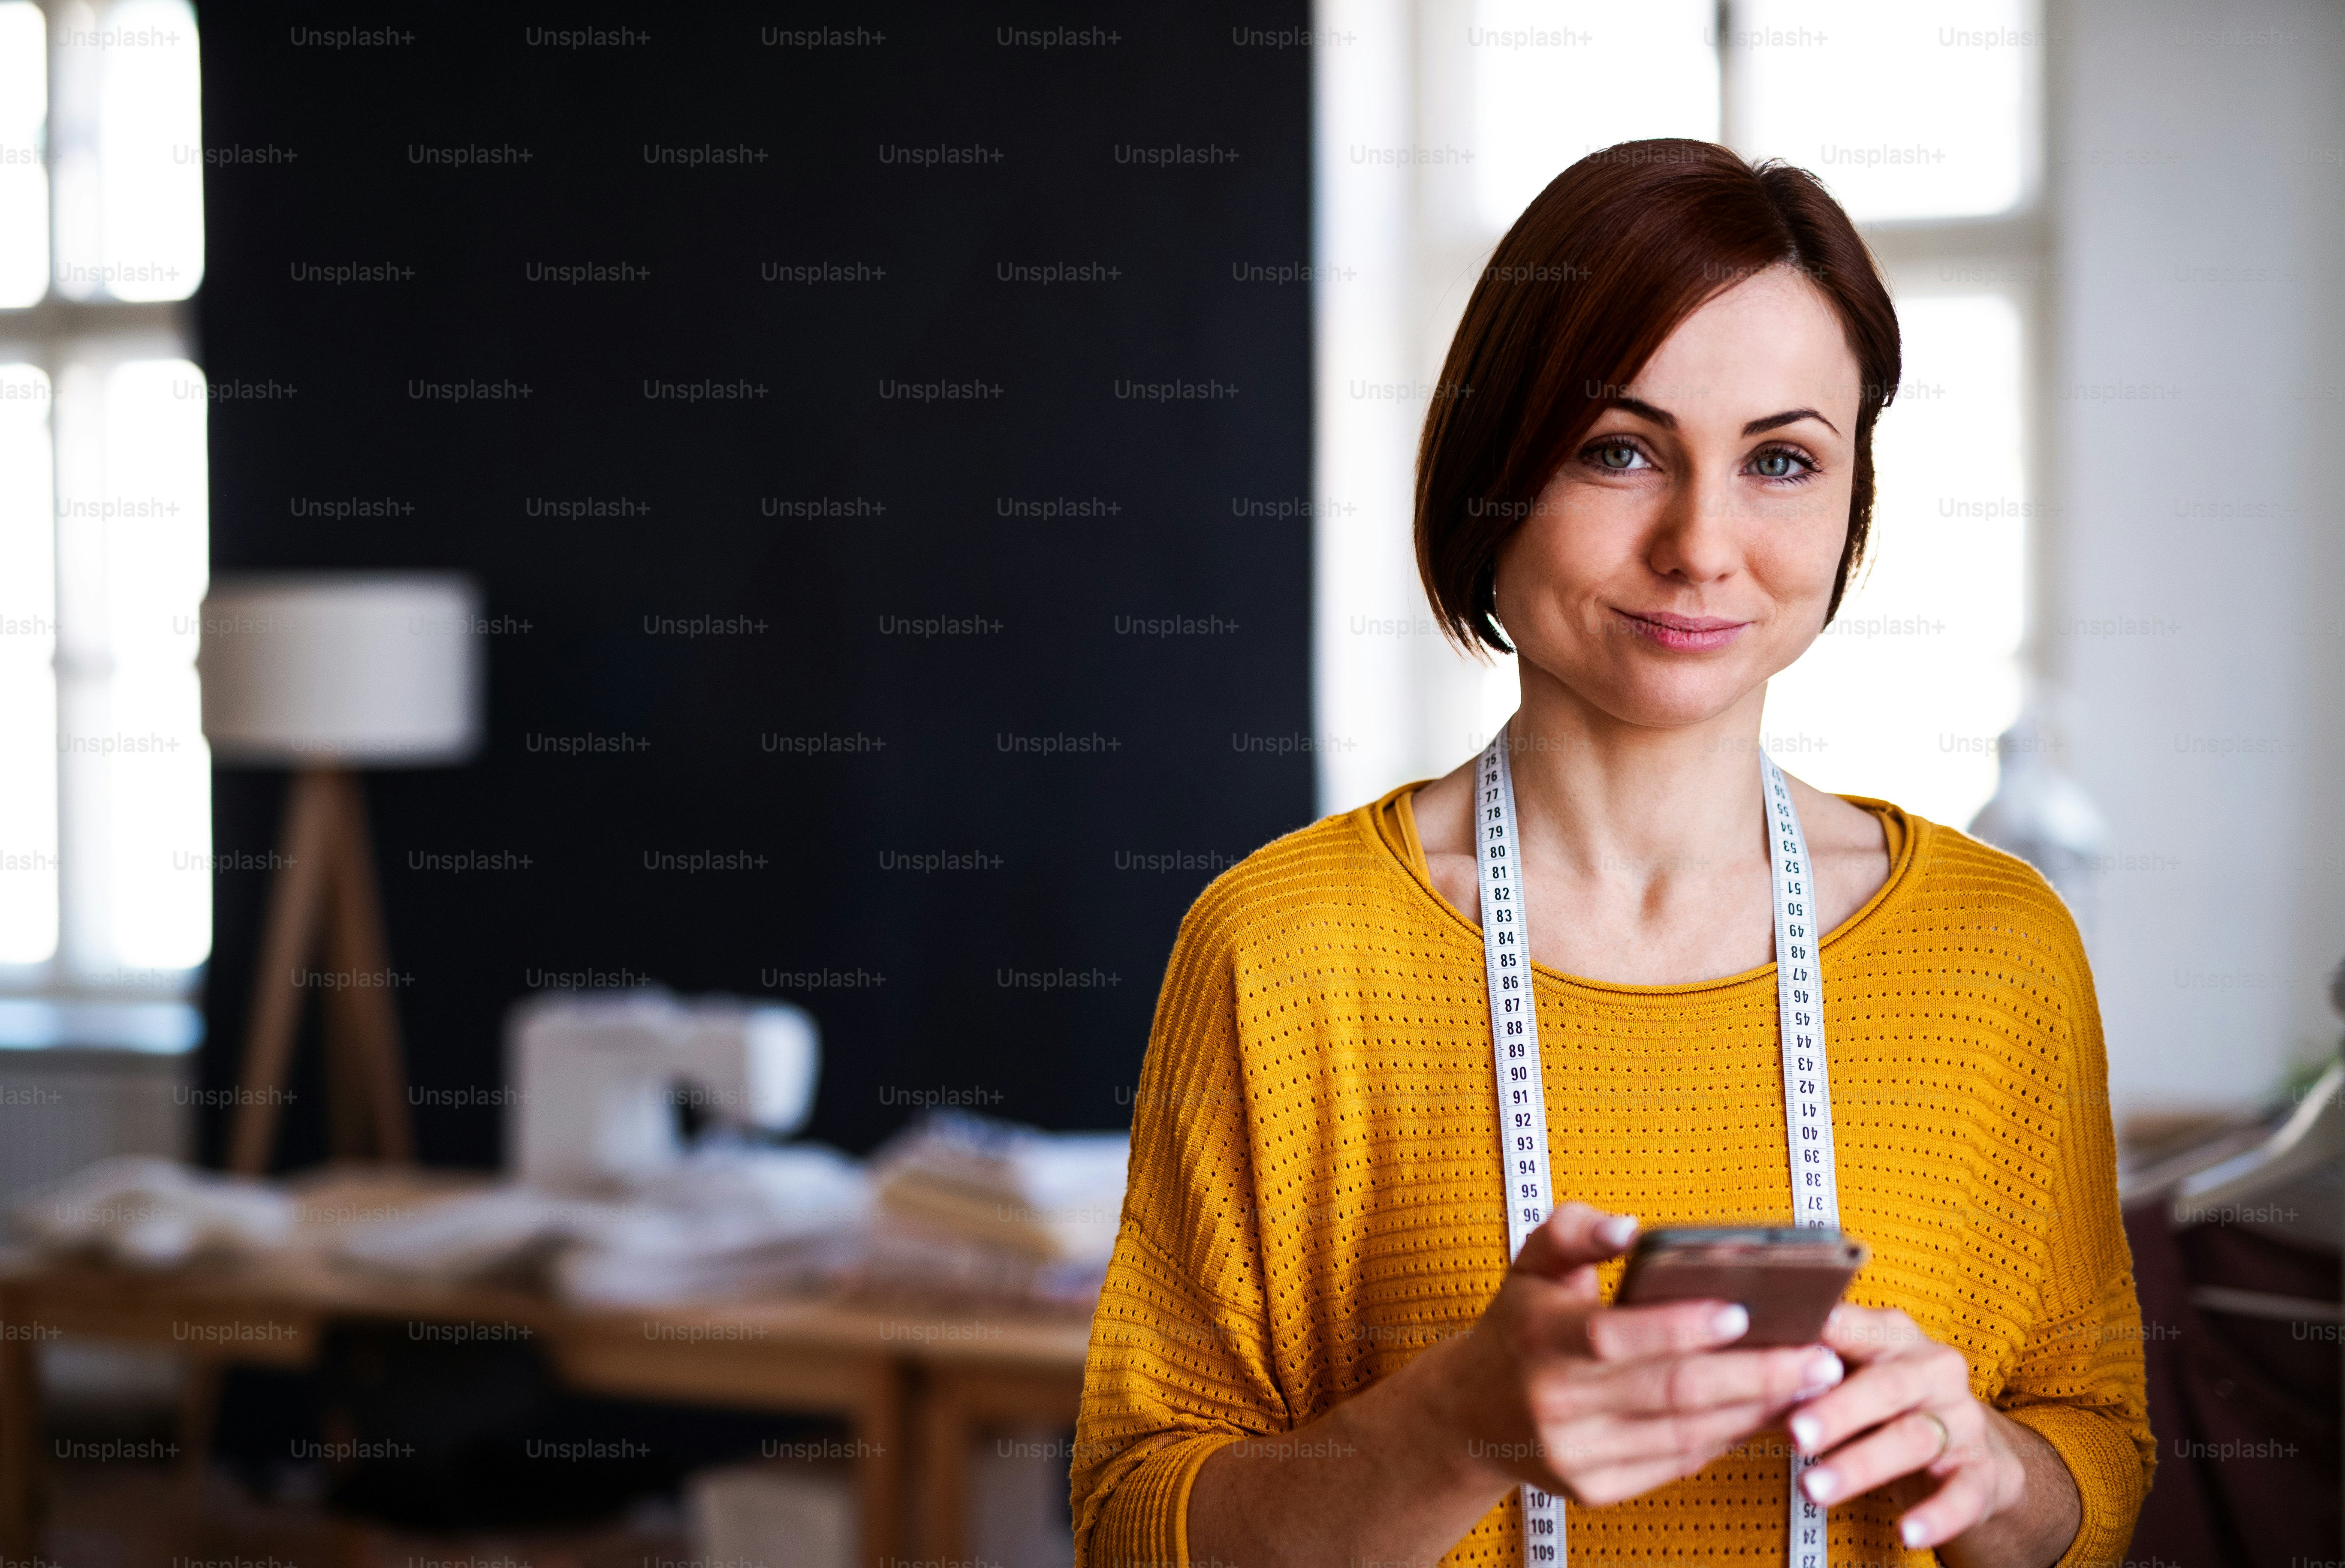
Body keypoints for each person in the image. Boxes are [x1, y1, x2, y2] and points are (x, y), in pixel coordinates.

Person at [1071, 141, 2152, 1568]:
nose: (1701, 544)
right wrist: (1457, 1423)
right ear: (1492, 475)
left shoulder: (1998, 951)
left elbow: (2100, 1466)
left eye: (1779, 460)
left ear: (1849, 506)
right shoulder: (1281, 949)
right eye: (1620, 449)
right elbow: (1134, 1531)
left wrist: (1982, 1461)